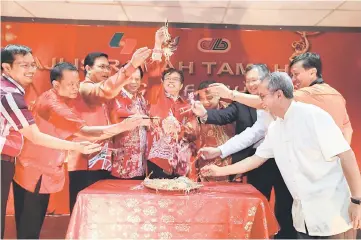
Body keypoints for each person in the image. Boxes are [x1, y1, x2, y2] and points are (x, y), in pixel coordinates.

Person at [202, 72, 361, 239]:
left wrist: (357, 201)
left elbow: (347, 156)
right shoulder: (275, 127)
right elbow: (256, 159)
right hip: (304, 217)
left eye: (263, 96)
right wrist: (219, 171)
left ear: (279, 94)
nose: (260, 102)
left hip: (332, 213)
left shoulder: (313, 116)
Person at [12, 62, 148, 239]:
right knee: (29, 229)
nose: (76, 88)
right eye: (71, 84)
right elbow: (85, 133)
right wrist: (121, 126)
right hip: (35, 173)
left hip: (35, 169)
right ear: (56, 84)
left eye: (77, 83)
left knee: (29, 226)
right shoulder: (53, 105)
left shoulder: (58, 99)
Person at [0, 45, 100, 238]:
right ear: (6, 67)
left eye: (32, 64)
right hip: (29, 169)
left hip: (20, 165)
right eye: (23, 65)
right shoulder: (13, 95)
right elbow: (35, 136)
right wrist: (76, 146)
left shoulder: (13, 91)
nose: (30, 69)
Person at [192, 64, 296, 239]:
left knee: (286, 209)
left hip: (293, 166)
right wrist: (219, 153)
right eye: (248, 81)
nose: (252, 85)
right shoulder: (266, 120)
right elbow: (255, 142)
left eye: (255, 80)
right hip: (260, 161)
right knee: (255, 205)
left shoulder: (302, 112)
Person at [68, 47, 151, 213]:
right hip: (85, 160)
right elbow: (105, 90)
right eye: (101, 66)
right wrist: (132, 65)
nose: (106, 70)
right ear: (88, 68)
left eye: (108, 67)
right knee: (83, 211)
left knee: (100, 212)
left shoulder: (116, 96)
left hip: (103, 160)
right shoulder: (84, 88)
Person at [205, 52, 353, 144]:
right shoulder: (337, 95)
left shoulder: (308, 94)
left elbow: (267, 103)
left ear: (312, 72)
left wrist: (231, 94)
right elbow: (348, 129)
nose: (293, 79)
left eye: (296, 74)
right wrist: (340, 157)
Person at [147, 68, 196, 179]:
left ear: (181, 85)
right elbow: (153, 77)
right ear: (162, 83)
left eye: (175, 79)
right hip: (158, 160)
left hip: (180, 161)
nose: (171, 81)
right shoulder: (154, 99)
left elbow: (192, 133)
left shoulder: (188, 107)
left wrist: (181, 129)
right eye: (167, 78)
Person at [108, 63, 149, 180]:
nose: (134, 82)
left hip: (140, 160)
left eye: (137, 79)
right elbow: (116, 114)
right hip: (121, 160)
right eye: (130, 78)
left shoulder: (140, 98)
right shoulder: (115, 96)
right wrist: (140, 119)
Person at [194, 80, 234, 182]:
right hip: (203, 168)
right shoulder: (194, 113)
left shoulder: (231, 110)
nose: (205, 102)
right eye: (202, 99)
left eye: (209, 98)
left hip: (231, 168)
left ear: (219, 96)